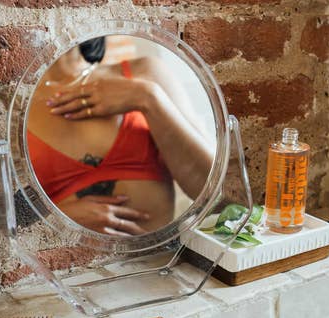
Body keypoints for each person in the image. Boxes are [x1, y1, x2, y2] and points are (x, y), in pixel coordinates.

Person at [27, 37, 213, 236]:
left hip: (161, 262)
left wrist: (147, 97)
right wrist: (57, 219)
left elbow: (217, 192)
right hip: (63, 266)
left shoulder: (145, 73)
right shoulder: (10, 106)